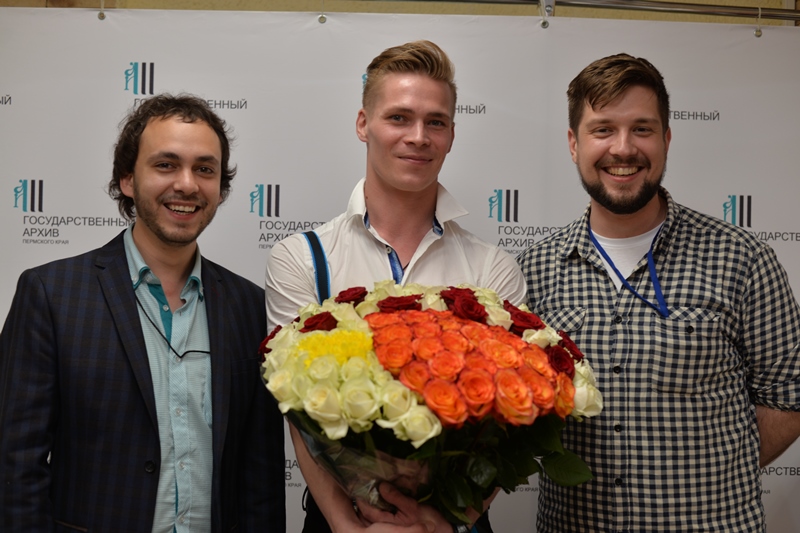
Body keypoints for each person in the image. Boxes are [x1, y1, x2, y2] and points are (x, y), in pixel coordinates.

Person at [516, 53, 800, 532]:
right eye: (603, 129)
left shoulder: (743, 258)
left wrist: (717, 476)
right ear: (574, 143)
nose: (623, 148)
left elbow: (788, 394)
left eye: (642, 129)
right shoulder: (533, 270)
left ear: (666, 139)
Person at [265, 40, 527, 533]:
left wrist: (447, 524)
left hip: (457, 521)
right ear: (363, 124)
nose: (418, 137)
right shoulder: (301, 258)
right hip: (340, 521)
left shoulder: (492, 267)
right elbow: (299, 418)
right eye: (399, 118)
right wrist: (345, 526)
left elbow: (505, 423)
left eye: (436, 122)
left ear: (452, 134)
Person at [0, 94, 286, 532]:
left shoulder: (249, 306)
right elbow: (15, 464)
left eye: (204, 169)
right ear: (128, 179)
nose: (187, 184)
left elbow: (260, 477)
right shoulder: (52, 295)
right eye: (166, 165)